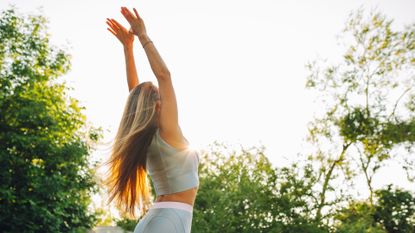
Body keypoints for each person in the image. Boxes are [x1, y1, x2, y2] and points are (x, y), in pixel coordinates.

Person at [104, 6, 200, 233]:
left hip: (160, 219)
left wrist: (128, 48)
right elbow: (164, 76)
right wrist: (142, 36)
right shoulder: (167, 131)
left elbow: (134, 95)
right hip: (168, 221)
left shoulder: (147, 135)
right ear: (158, 104)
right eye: (159, 92)